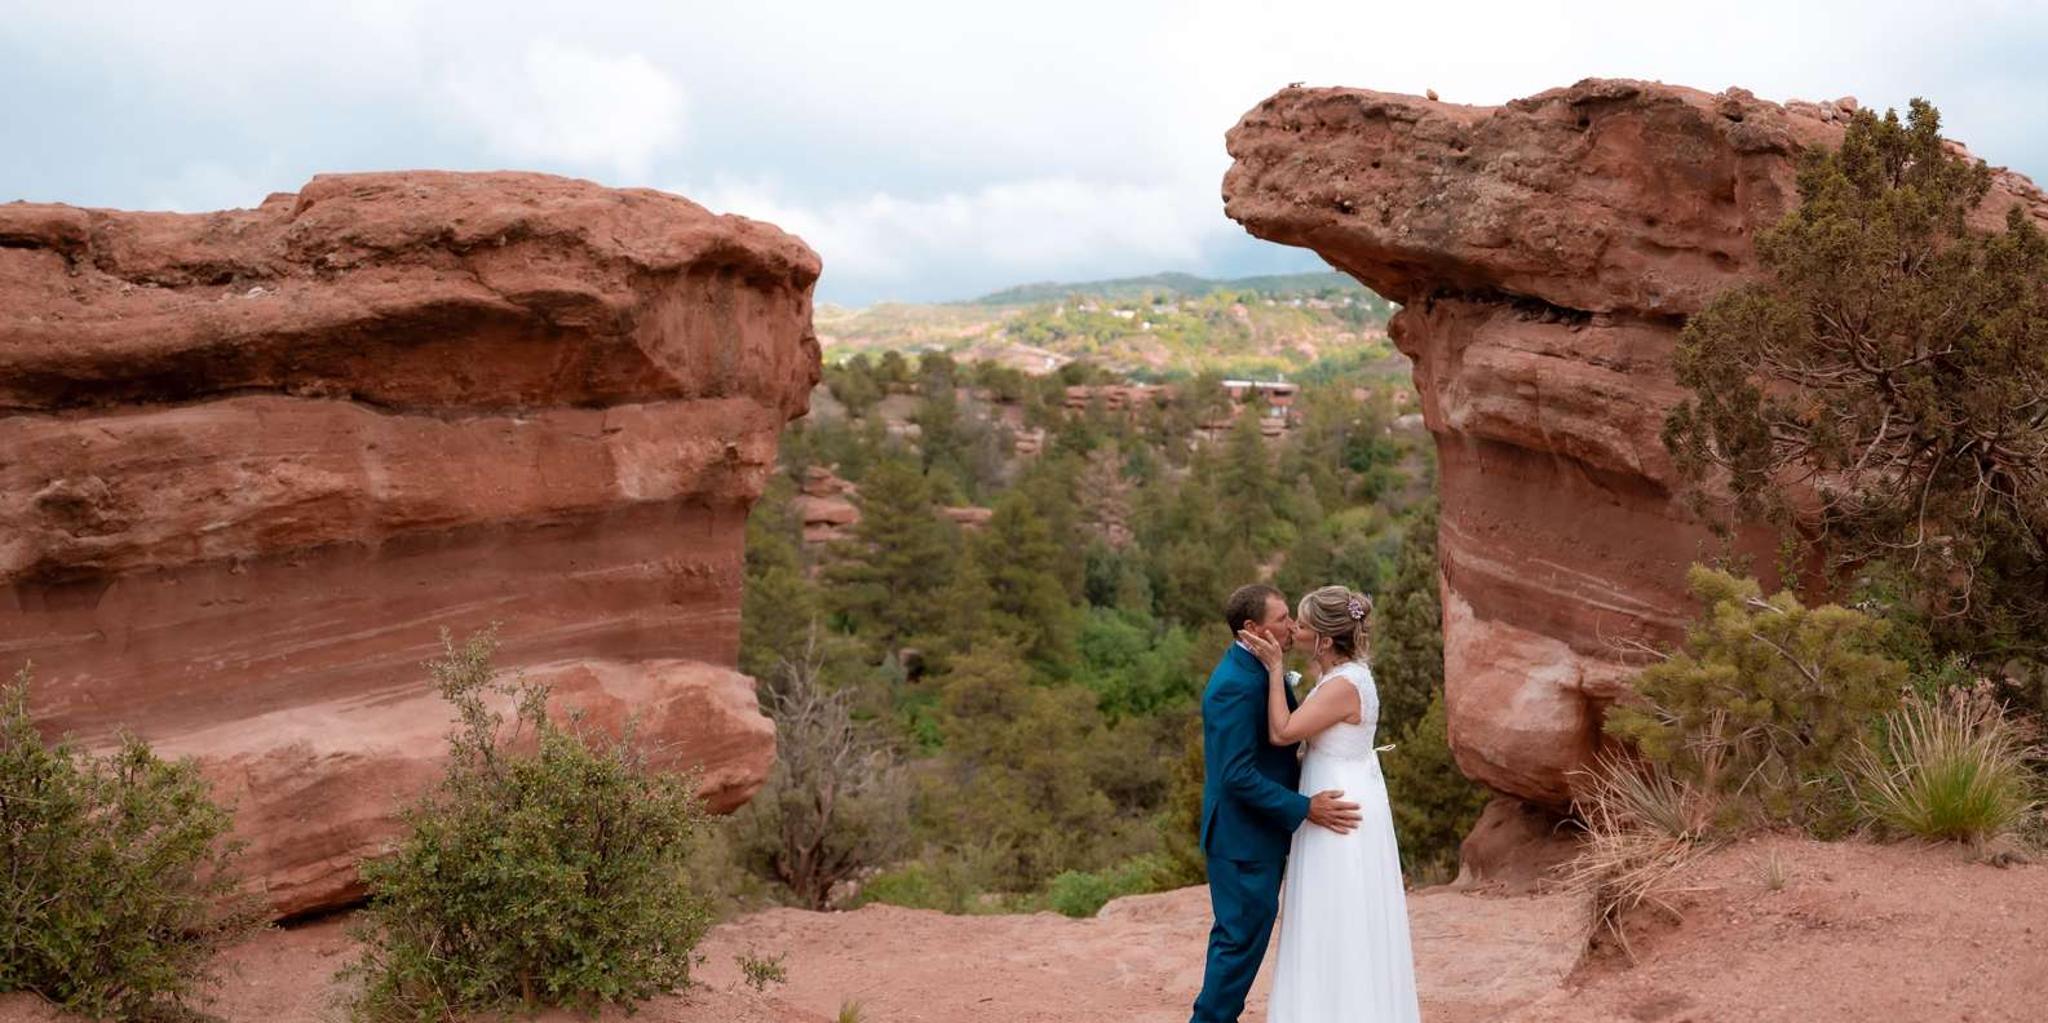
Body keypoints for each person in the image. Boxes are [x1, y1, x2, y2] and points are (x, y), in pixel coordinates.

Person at [1241, 585, 1422, 1022]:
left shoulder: (1343, 684)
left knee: (1340, 910)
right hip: (1339, 792)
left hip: (1337, 807)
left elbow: (1283, 732)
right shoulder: (1342, 676)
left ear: (1322, 639)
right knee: (1333, 911)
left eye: (1302, 624)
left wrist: (1274, 669)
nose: (1293, 629)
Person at [1190, 584, 1361, 1023]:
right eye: (1282, 619)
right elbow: (1236, 775)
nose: (1292, 626)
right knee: (1238, 941)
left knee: (1245, 938)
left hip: (1259, 833)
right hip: (1241, 838)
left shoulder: (1261, 669)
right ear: (1252, 628)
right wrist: (1305, 808)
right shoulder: (1234, 685)